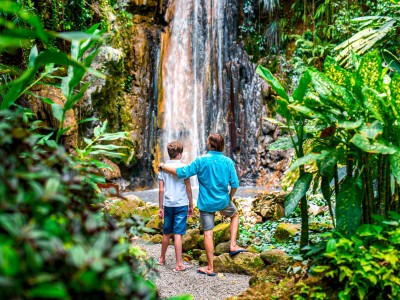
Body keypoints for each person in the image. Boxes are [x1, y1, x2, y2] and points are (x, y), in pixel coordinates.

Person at [158, 133, 246, 276]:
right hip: (223, 201)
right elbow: (235, 184)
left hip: (206, 203)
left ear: (208, 144)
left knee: (208, 234)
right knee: (235, 215)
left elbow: (182, 172)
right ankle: (233, 245)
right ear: (222, 146)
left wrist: (163, 166)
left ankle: (210, 267)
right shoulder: (228, 161)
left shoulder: (201, 161)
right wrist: (229, 198)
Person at [158, 141, 193, 272]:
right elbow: (188, 188)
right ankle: (179, 264)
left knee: (166, 232)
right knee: (178, 233)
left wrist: (160, 207)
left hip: (168, 204)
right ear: (179, 154)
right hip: (181, 204)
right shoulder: (184, 167)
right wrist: (191, 204)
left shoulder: (163, 168)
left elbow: (161, 190)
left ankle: (161, 258)